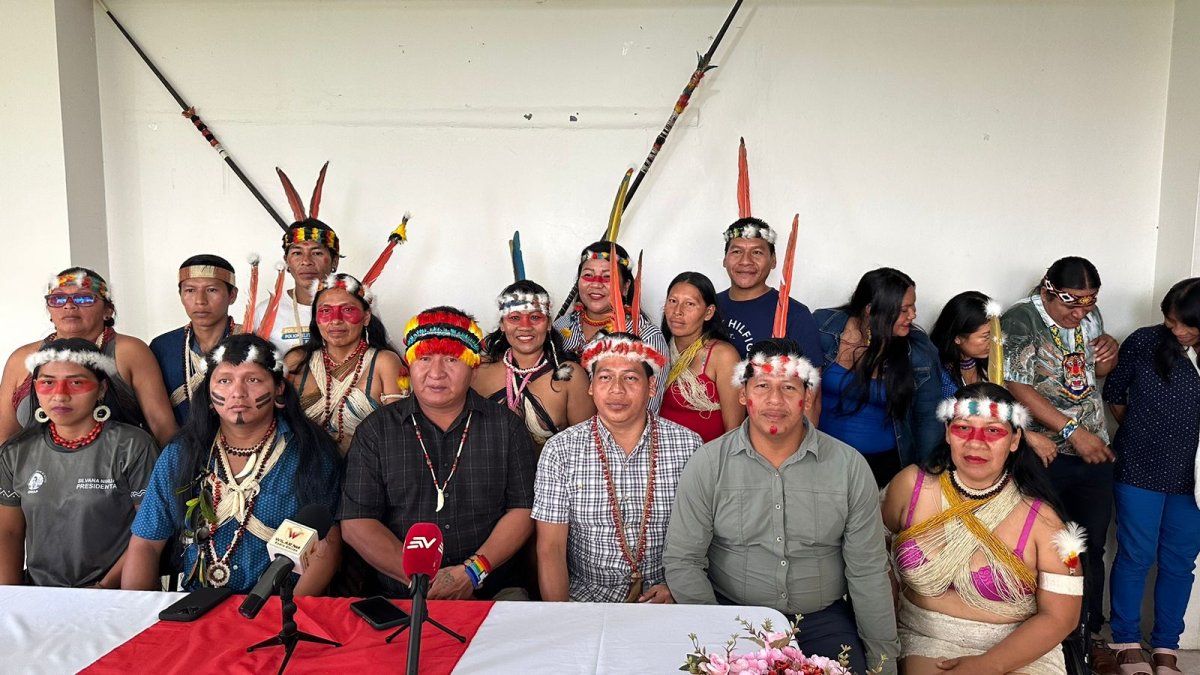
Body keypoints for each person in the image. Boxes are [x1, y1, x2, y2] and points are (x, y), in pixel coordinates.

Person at [664, 338, 899, 675]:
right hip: (733, 619)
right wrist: (717, 634)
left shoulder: (849, 467)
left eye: (789, 387)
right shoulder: (709, 463)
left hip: (822, 623)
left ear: (807, 396)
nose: (775, 400)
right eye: (762, 386)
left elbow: (868, 572)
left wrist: (883, 662)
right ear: (743, 394)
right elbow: (683, 560)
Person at [882, 383, 1082, 675]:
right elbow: (872, 558)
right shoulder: (910, 487)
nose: (976, 443)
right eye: (963, 428)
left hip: (1023, 651)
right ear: (948, 432)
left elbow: (1062, 617)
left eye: (993, 431)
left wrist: (988, 665)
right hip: (925, 640)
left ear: (1015, 440)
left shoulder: (1047, 522)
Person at [339, 307, 535, 600]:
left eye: (452, 360)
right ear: (409, 364)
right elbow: (356, 523)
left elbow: (523, 510)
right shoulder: (377, 430)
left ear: (474, 367)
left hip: (490, 590)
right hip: (399, 594)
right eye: (425, 358)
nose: (436, 373)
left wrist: (472, 572)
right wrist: (420, 580)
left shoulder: (506, 427)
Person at [122, 334, 342, 594]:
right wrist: (140, 615)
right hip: (195, 609)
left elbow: (326, 545)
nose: (237, 392)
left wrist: (285, 616)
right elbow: (146, 544)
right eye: (224, 380)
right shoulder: (180, 455)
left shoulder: (311, 454)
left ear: (279, 389)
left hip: (278, 610)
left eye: (253, 380)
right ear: (208, 392)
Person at [1001, 256, 1119, 671]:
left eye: (1089, 303)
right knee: (1048, 548)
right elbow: (1014, 384)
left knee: (1089, 546)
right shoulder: (1019, 319)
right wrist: (1071, 432)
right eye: (1072, 303)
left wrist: (1110, 354)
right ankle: (1047, 637)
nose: (1081, 313)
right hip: (1044, 453)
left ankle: (1085, 636)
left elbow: (1094, 370)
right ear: (1048, 291)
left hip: (1093, 450)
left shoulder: (1089, 315)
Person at [534, 332, 700, 603]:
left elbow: (702, 537)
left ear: (651, 386)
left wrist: (677, 589)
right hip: (586, 599)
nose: (616, 390)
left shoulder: (688, 445)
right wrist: (561, 618)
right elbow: (551, 548)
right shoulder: (560, 450)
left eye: (631, 377)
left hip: (666, 601)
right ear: (590, 386)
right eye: (605, 377)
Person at [1102, 278, 1200, 675]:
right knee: (1135, 556)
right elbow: (1115, 395)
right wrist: (1147, 431)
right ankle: (1126, 641)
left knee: (1179, 563)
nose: (1175, 330)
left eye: (1184, 323)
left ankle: (1166, 649)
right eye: (1169, 320)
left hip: (1193, 480)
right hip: (1140, 467)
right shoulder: (1145, 342)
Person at [0, 340, 157, 587]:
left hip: (115, 594)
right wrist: (9, 599)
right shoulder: (15, 452)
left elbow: (149, 532)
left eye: (76, 382)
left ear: (101, 389)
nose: (60, 394)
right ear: (35, 388)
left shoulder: (132, 446)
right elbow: (7, 534)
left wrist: (104, 587)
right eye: (48, 382)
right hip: (41, 595)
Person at [0, 268, 176, 447]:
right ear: (49, 310)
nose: (69, 305)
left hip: (118, 469)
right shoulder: (22, 358)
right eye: (58, 299)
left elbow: (161, 426)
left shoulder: (129, 351)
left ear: (108, 310)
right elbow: (4, 435)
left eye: (84, 299)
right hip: (33, 472)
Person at [814, 267, 942, 486]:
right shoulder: (824, 327)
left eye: (913, 306)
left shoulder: (918, 351)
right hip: (823, 460)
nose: (913, 315)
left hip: (883, 469)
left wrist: (927, 476)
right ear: (871, 310)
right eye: (904, 309)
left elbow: (929, 418)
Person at [931, 291, 1059, 466]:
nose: (994, 342)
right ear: (958, 338)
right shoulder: (940, 377)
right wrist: (1028, 437)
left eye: (996, 334)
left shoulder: (992, 365)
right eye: (985, 336)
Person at [285, 273, 404, 456]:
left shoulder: (384, 362)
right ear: (315, 319)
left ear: (366, 317)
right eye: (325, 311)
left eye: (347, 310)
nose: (336, 320)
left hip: (366, 474)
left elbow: (399, 434)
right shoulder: (297, 361)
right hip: (305, 474)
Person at [473, 280, 593, 451]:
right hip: (490, 476)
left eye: (535, 317)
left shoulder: (570, 377)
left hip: (549, 477)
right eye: (515, 318)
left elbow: (586, 449)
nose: (525, 326)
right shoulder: (479, 371)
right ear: (502, 324)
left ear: (549, 323)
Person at [552, 241, 669, 412]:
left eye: (608, 277)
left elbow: (647, 409)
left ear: (626, 287)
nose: (596, 284)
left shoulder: (646, 336)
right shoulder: (561, 327)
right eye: (588, 275)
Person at [255, 164, 340, 352]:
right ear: (287, 262)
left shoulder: (354, 305)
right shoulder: (266, 311)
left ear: (334, 261)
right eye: (297, 253)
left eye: (317, 253)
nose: (306, 261)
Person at [150, 255, 240, 426]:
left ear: (232, 295)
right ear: (181, 296)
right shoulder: (162, 347)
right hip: (180, 446)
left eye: (212, 290)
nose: (200, 301)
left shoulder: (252, 343)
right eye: (190, 290)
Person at [716, 217, 821, 362]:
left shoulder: (796, 315)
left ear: (773, 261)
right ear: (724, 259)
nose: (745, 261)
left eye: (757, 252)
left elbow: (811, 382)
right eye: (736, 252)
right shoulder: (707, 307)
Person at [659, 272, 744, 442]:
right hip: (662, 462)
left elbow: (734, 429)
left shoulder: (723, 355)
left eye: (689, 304)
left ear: (708, 312)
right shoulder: (656, 348)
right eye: (673, 301)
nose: (677, 311)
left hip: (708, 461)